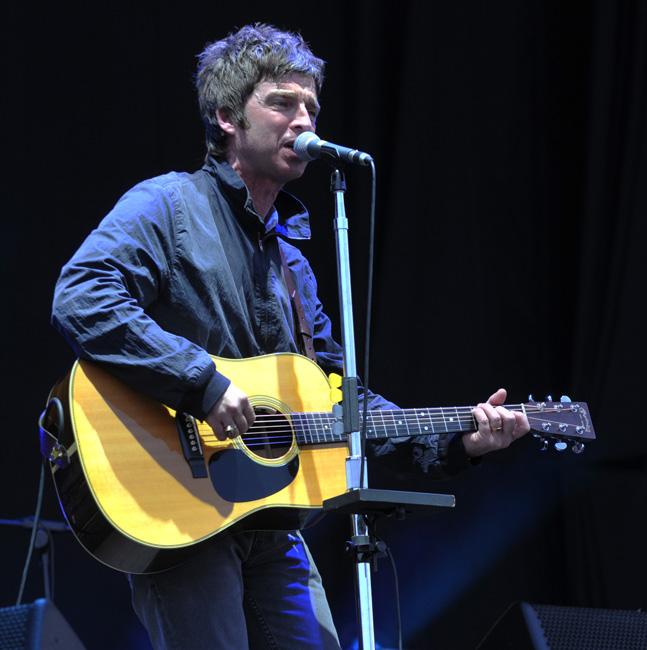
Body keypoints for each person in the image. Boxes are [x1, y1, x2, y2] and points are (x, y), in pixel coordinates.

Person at [51, 23, 530, 650]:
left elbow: (342, 401)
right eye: (282, 103)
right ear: (227, 117)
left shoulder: (293, 263)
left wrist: (457, 442)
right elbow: (82, 296)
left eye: (311, 107)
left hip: (273, 522)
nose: (304, 120)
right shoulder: (167, 205)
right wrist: (201, 384)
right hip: (179, 508)